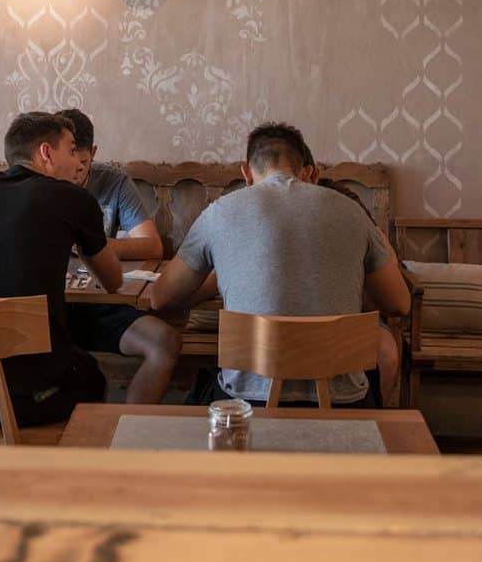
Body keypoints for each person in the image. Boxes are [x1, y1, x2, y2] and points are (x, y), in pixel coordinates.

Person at [152, 121, 411, 407]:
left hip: (248, 402)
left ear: (246, 174)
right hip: (344, 404)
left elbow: (161, 297)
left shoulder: (220, 213)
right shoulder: (351, 211)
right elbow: (400, 304)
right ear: (307, 172)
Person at [0, 112, 123, 427]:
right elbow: (113, 281)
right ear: (46, 153)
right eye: (71, 151)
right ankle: (73, 471)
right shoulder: (72, 198)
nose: (78, 164)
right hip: (34, 402)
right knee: (91, 375)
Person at [58, 108, 181, 403]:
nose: (75, 172)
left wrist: (97, 245)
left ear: (93, 154)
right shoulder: (39, 188)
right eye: (69, 162)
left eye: (83, 163)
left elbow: (152, 247)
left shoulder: (112, 182)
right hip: (50, 309)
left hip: (101, 305)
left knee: (164, 341)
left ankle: (130, 439)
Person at [299, 141, 402, 406]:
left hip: (355, 315)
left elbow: (397, 301)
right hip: (301, 311)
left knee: (387, 350)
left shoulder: (360, 224)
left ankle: (374, 414)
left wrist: (379, 241)